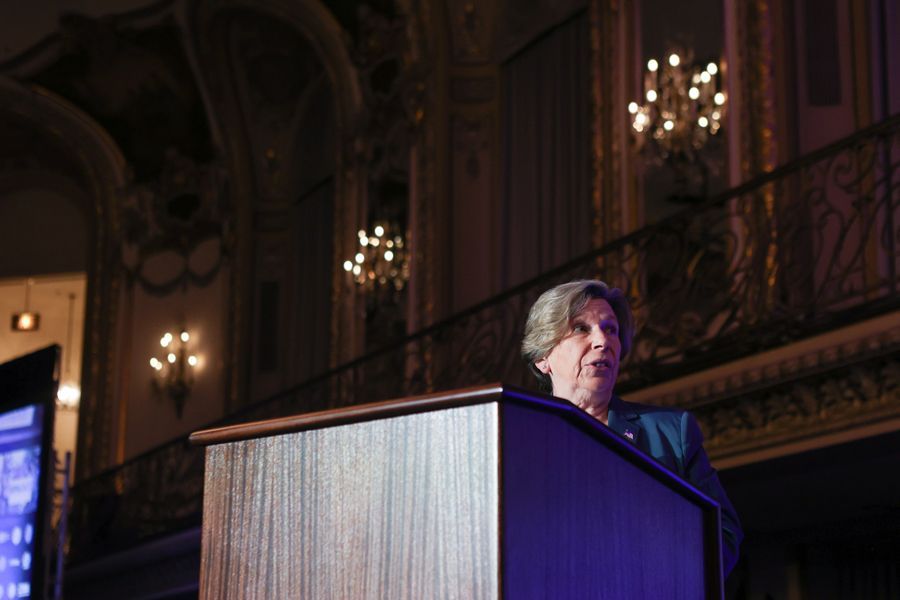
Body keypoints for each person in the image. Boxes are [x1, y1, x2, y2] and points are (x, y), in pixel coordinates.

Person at [521, 279, 743, 576]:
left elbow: (723, 536)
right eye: (580, 328)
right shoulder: (520, 439)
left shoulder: (671, 432)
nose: (603, 341)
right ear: (542, 359)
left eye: (610, 329)